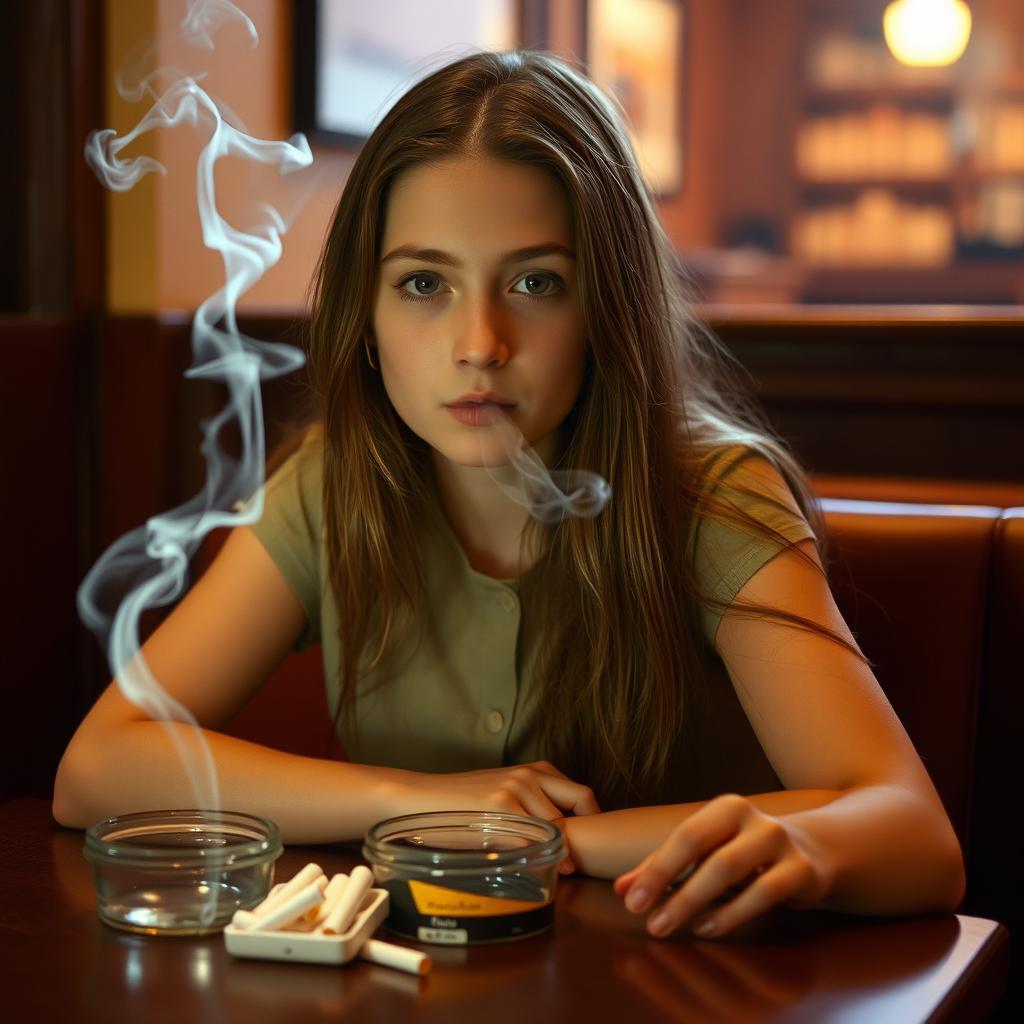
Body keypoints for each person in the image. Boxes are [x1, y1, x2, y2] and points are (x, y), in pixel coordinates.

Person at [54, 50, 964, 940]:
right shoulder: (335, 486)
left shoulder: (712, 497)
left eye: (536, 282)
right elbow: (97, 768)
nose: (480, 342)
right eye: (423, 283)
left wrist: (539, 840)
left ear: (606, 309)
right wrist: (415, 801)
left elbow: (914, 837)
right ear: (364, 321)